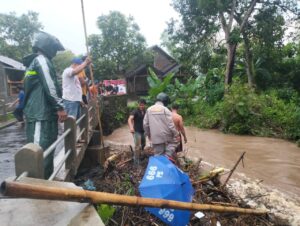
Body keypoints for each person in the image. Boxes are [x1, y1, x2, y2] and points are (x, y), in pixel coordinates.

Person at [22, 31, 67, 179]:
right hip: (41, 115)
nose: (55, 52)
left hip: (41, 113)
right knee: (39, 150)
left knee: (45, 149)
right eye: (54, 48)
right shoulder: (42, 60)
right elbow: (50, 86)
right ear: (47, 46)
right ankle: (40, 186)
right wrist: (60, 107)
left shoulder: (34, 63)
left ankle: (45, 181)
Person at [143, 93, 179, 162]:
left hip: (155, 137)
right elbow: (171, 125)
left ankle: (159, 167)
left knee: (158, 155)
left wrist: (149, 135)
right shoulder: (165, 110)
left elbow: (145, 124)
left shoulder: (149, 109)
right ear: (164, 101)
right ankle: (167, 155)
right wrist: (176, 134)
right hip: (166, 137)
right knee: (176, 140)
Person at [128, 99, 146, 164]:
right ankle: (136, 161)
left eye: (142, 105)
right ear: (138, 105)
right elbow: (130, 119)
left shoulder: (145, 111)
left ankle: (141, 154)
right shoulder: (135, 111)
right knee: (137, 146)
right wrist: (131, 127)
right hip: (136, 131)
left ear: (144, 105)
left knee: (144, 144)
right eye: (140, 105)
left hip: (143, 131)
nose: (141, 106)